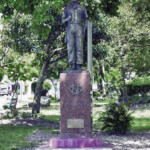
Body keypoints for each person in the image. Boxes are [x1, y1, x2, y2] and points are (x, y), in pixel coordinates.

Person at [62, 0, 88, 70]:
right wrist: (67, 19)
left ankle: (79, 64)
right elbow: (62, 20)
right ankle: (72, 64)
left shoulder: (82, 8)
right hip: (70, 28)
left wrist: (84, 29)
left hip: (79, 27)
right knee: (70, 47)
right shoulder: (67, 8)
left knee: (79, 46)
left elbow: (86, 19)